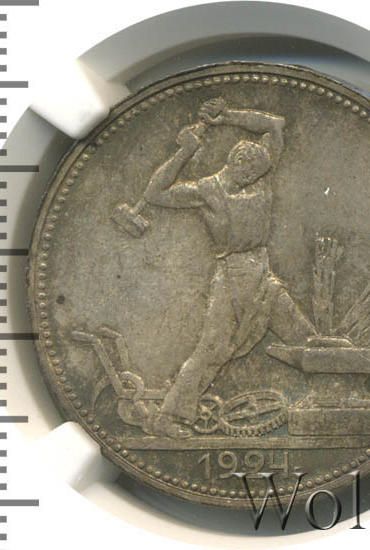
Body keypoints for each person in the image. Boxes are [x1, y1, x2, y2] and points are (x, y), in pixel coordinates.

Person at [141, 98, 316, 437]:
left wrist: (226, 117)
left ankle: (328, 404)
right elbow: (154, 193)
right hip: (232, 277)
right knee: (212, 350)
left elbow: (274, 124)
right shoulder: (207, 190)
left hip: (263, 275)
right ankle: (167, 417)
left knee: (305, 338)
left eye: (260, 174)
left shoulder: (261, 178)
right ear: (236, 163)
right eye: (249, 173)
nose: (255, 179)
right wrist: (184, 152)